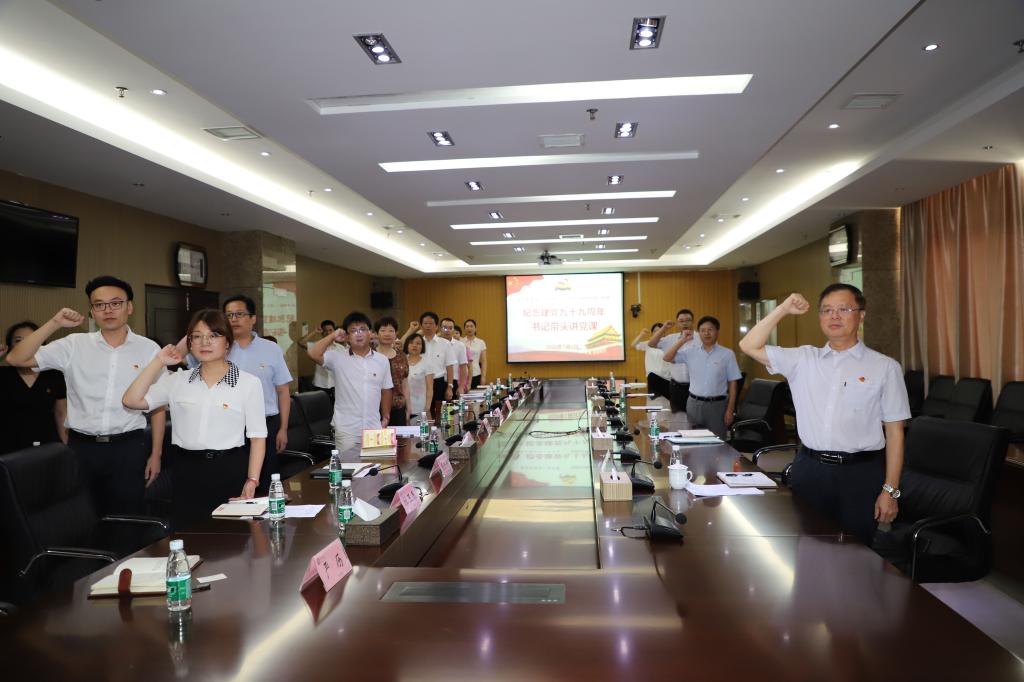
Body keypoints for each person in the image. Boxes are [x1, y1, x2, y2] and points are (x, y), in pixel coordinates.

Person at [738, 284, 910, 544]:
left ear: (861, 315)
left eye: (844, 309)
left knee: (857, 551)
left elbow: (895, 433)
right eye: (827, 310)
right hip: (810, 469)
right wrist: (783, 308)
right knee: (808, 547)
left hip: (860, 474)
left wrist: (890, 491)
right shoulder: (803, 359)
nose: (834, 316)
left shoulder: (885, 367)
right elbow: (748, 345)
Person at [5, 276, 166, 514]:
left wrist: (156, 454)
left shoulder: (149, 349)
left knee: (128, 516)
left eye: (115, 303)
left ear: (129, 307)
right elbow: (15, 358)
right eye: (99, 304)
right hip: (82, 448)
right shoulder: (73, 345)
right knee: (82, 516)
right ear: (91, 311)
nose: (107, 310)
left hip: (128, 447)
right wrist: (54, 323)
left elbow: (158, 405)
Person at [123, 309, 266, 528]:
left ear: (228, 343)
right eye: (196, 336)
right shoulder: (177, 380)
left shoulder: (248, 383)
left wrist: (252, 479)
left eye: (213, 335)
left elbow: (257, 437)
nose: (204, 342)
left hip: (229, 468)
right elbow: (131, 400)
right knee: (189, 535)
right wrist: (158, 361)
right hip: (186, 470)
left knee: (232, 538)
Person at [189, 295, 291, 493]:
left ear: (253, 318)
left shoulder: (271, 349)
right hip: (227, 424)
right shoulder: (216, 347)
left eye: (239, 314)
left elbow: (282, 391)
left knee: (265, 478)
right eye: (228, 315)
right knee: (232, 480)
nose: (233, 319)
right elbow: (182, 357)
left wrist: (283, 428)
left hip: (265, 424)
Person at [308, 311, 393, 452]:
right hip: (347, 430)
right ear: (346, 337)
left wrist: (386, 416)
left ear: (370, 334)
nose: (359, 334)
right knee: (349, 466)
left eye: (363, 329)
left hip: (374, 427)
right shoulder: (337, 357)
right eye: (353, 331)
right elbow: (313, 353)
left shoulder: (382, 360)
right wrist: (333, 335)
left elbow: (386, 389)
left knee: (376, 464)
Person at [661, 316, 741, 438]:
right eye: (703, 330)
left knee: (717, 441)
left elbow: (733, 383)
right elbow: (667, 357)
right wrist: (682, 340)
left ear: (717, 331)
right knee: (693, 440)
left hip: (717, 406)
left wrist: (730, 409)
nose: (706, 333)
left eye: (710, 330)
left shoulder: (727, 354)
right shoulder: (690, 352)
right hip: (694, 405)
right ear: (698, 333)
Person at [0, 321, 68, 453]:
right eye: (18, 341)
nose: (25, 346)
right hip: (8, 450)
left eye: (31, 340)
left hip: (48, 447)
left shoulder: (54, 375)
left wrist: (67, 447)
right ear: (9, 347)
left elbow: (61, 413)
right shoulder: (3, 375)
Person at [406, 312, 457, 420]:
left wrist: (450, 387)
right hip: (420, 384)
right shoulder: (417, 343)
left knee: (439, 415)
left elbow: (449, 367)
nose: (428, 326)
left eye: (431, 323)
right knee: (422, 414)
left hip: (439, 384)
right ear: (421, 326)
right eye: (425, 323)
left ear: (437, 326)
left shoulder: (445, 344)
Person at [648, 308, 697, 413]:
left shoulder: (700, 338)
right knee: (677, 417)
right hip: (676, 387)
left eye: (688, 320)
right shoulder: (671, 338)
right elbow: (651, 344)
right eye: (681, 321)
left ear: (693, 322)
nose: (685, 323)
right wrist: (664, 328)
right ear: (677, 323)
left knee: (695, 418)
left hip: (696, 387)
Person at [375, 316, 409, 427]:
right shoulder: (370, 355)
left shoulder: (401, 356)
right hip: (375, 409)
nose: (387, 334)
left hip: (398, 408)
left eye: (391, 330)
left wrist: (408, 408)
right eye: (383, 330)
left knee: (400, 438)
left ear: (396, 334)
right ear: (376, 334)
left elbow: (405, 384)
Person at [300, 320, 340, 399]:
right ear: (322, 333)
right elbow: (301, 342)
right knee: (320, 406)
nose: (328, 333)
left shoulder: (340, 348)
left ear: (334, 331)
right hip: (320, 383)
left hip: (336, 384)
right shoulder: (316, 345)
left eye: (330, 330)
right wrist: (314, 332)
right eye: (325, 330)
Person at [632, 323, 671, 401]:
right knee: (654, 403)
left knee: (667, 403)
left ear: (664, 332)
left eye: (660, 330)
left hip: (667, 378)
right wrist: (641, 334)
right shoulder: (648, 344)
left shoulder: (669, 343)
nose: (658, 333)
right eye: (655, 331)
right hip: (653, 378)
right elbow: (634, 345)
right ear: (652, 333)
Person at [404, 334, 434, 422]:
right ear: (407, 345)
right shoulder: (401, 362)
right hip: (403, 406)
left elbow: (430, 388)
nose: (414, 345)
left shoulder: (427, 363)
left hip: (420, 407)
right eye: (411, 343)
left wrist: (427, 407)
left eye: (418, 343)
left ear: (422, 346)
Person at [440, 317, 469, 396]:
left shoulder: (460, 345)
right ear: (440, 329)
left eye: (450, 328)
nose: (447, 330)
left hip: (453, 382)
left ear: (453, 330)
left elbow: (463, 367)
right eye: (445, 328)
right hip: (437, 382)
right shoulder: (436, 344)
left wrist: (461, 386)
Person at [461, 319, 488, 388]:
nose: (469, 328)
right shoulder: (461, 342)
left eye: (471, 326)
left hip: (476, 374)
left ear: (475, 328)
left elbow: (484, 361)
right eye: (467, 326)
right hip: (463, 375)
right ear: (464, 329)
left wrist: (483, 377)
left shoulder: (481, 342)